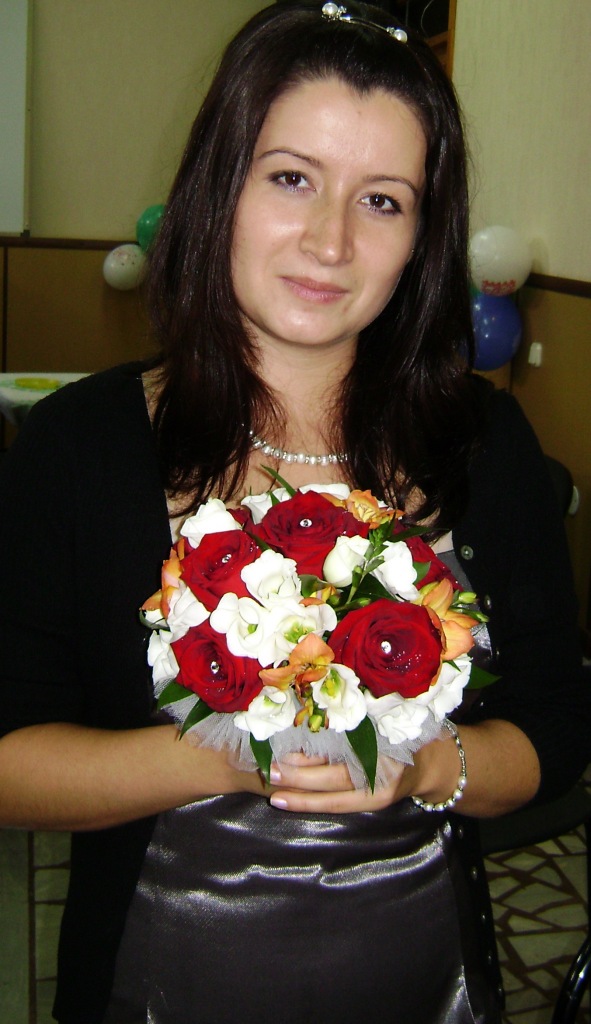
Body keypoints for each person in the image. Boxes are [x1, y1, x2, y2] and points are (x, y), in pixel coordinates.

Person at [0, 2, 589, 1021]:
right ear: (219, 183)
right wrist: (233, 749)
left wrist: (421, 765)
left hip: (426, 982)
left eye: (384, 201)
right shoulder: (78, 447)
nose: (330, 241)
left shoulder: (483, 443)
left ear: (423, 237)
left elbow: (556, 727)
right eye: (290, 178)